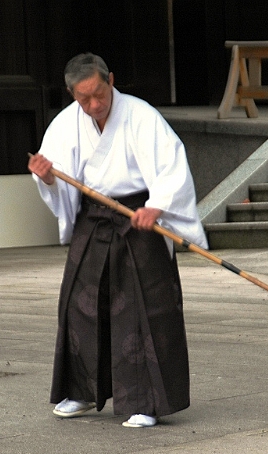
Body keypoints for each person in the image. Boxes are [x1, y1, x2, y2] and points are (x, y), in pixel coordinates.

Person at [28, 53, 207, 428]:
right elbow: (58, 178)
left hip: (138, 218)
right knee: (80, 305)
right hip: (94, 219)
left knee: (144, 308)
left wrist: (156, 206)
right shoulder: (66, 124)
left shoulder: (141, 116)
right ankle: (81, 390)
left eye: (99, 94)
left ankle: (146, 401)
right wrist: (46, 177)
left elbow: (172, 166)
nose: (94, 105)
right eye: (84, 99)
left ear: (110, 79)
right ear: (72, 95)